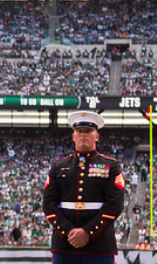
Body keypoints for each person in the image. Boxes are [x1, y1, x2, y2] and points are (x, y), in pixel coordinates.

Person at [42, 111, 125, 264]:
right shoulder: (58, 166)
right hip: (64, 243)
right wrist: (68, 231)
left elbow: (115, 204)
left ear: (97, 136)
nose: (83, 135)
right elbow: (48, 203)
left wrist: (88, 232)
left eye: (88, 131)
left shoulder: (111, 166)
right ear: (73, 136)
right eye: (79, 131)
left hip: (99, 244)